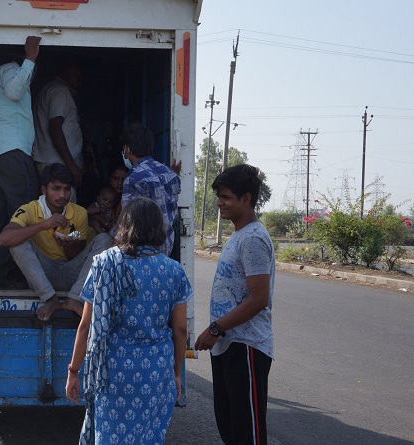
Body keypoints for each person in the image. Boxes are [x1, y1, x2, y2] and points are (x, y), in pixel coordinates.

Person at [65, 197, 191, 445]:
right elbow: (180, 329)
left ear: (124, 225)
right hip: (156, 371)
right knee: (149, 437)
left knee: (110, 437)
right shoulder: (174, 270)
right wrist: (176, 373)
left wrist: (73, 371)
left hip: (112, 370)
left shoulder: (104, 264)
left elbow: (86, 326)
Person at [194, 164, 275, 445]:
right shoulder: (239, 235)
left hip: (247, 346)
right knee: (230, 427)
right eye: (219, 196)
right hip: (229, 345)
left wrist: (216, 328)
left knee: (247, 433)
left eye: (226, 197)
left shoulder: (253, 238)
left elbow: (258, 298)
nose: (220, 203)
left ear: (246, 199)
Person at [0, 163, 104, 322]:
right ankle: (50, 299)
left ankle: (74, 299)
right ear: (43, 190)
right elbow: (3, 239)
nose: (62, 195)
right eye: (56, 188)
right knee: (16, 241)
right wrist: (44, 225)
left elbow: (75, 255)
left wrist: (67, 245)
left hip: (72, 276)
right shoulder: (29, 209)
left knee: (105, 239)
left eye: (67, 189)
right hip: (42, 277)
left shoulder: (80, 212)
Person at [0, 35, 42, 284]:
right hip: (12, 152)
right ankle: (16, 273)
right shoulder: (9, 69)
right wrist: (31, 58)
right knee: (24, 213)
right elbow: (16, 91)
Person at [120, 123, 181, 255]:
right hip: (167, 247)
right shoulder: (170, 174)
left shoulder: (133, 178)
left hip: (143, 250)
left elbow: (128, 221)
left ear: (127, 149)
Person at [33, 63, 84, 190]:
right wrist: (72, 166)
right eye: (76, 77)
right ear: (66, 75)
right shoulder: (60, 91)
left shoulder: (49, 89)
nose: (80, 83)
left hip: (52, 161)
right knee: (62, 204)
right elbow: (55, 127)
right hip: (59, 164)